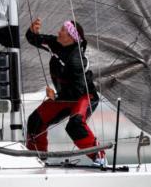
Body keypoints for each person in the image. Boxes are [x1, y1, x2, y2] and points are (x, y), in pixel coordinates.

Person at [25, 17, 104, 165]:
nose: (58, 32)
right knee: (35, 120)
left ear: (71, 38)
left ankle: (99, 158)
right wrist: (32, 31)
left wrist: (54, 96)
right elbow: (33, 39)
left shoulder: (76, 60)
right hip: (66, 97)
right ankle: (36, 158)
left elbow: (78, 90)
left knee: (74, 125)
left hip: (85, 96)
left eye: (62, 30)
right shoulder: (55, 43)